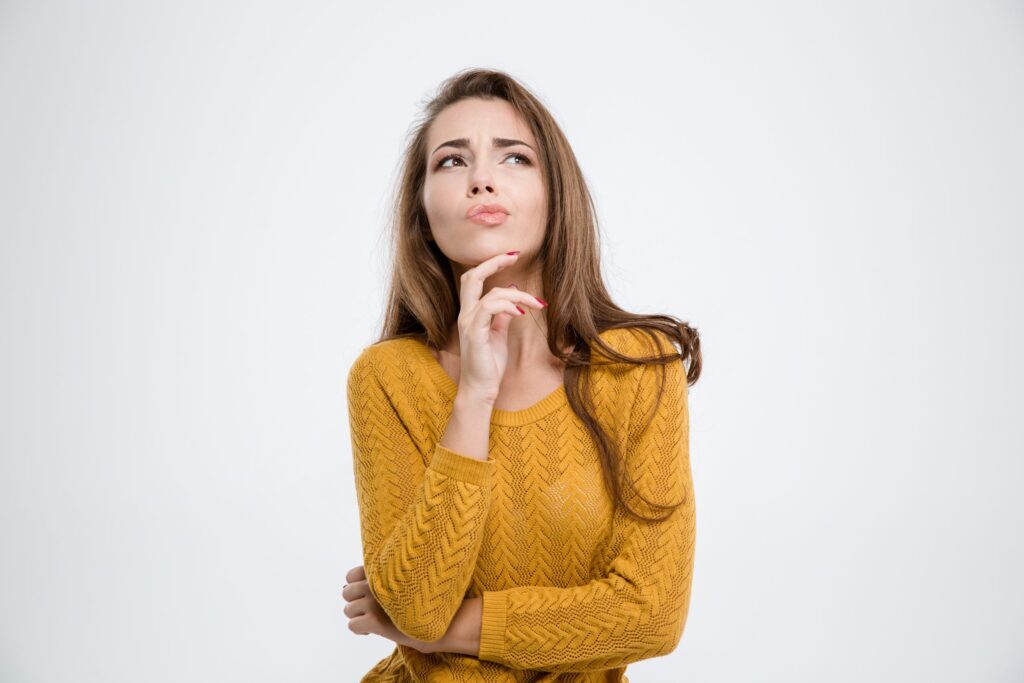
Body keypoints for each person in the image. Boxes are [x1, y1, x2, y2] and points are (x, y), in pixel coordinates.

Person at [341, 67, 702, 682]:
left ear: (555, 192)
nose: (482, 179)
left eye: (514, 158)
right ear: (423, 210)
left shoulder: (637, 369)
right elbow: (418, 603)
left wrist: (445, 629)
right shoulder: (388, 378)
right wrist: (474, 397)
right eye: (452, 163)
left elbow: (653, 614)